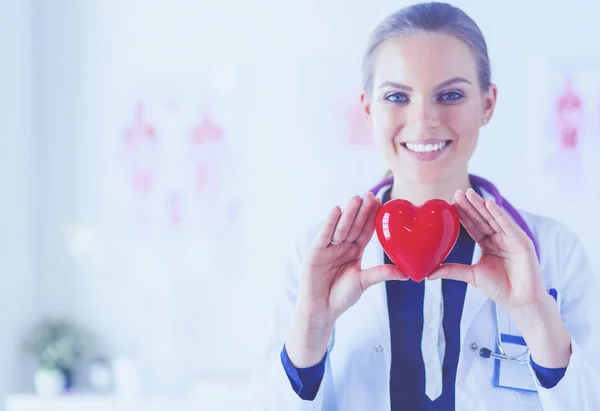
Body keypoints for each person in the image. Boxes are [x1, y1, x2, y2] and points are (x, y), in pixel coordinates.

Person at [246, 2, 600, 410]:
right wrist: (310, 332)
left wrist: (538, 319)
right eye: (397, 96)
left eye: (450, 95)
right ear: (367, 108)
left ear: (487, 104)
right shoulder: (315, 254)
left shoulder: (555, 251)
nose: (425, 119)